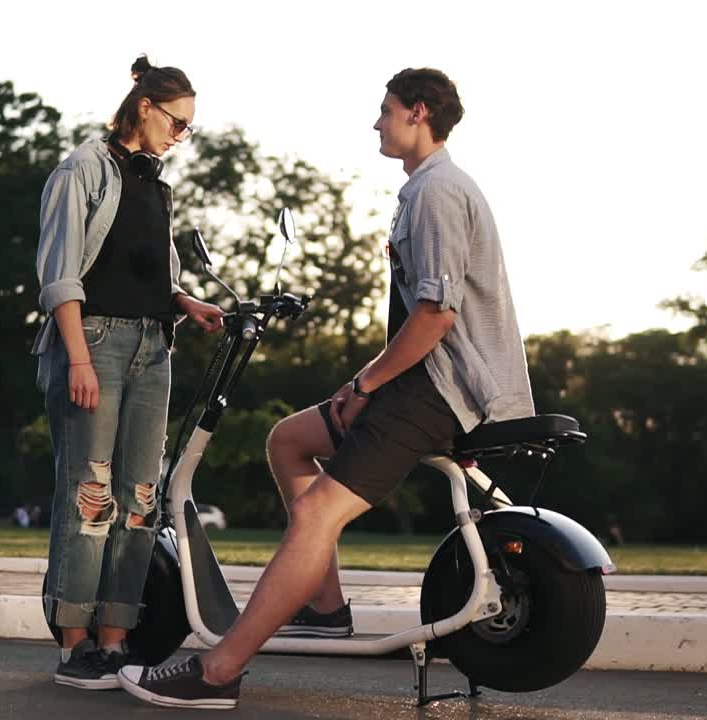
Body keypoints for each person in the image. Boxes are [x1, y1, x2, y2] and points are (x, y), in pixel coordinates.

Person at [118, 67, 535, 709]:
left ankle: (218, 672)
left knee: (317, 511)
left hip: (445, 392)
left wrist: (367, 383)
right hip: (421, 381)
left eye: (386, 110)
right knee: (288, 442)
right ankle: (324, 605)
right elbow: (418, 321)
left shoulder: (438, 193)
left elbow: (435, 315)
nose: (377, 121)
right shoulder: (423, 190)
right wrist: (359, 383)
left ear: (418, 113)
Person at [32, 55, 224, 691]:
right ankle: (75, 644)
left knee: (140, 498)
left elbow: (153, 271)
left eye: (187, 127)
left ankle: (117, 640)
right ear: (144, 107)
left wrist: (185, 301)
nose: (180, 135)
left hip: (153, 349)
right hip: (95, 342)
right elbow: (60, 275)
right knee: (91, 496)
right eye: (177, 121)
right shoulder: (83, 169)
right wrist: (79, 360)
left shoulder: (154, 179)